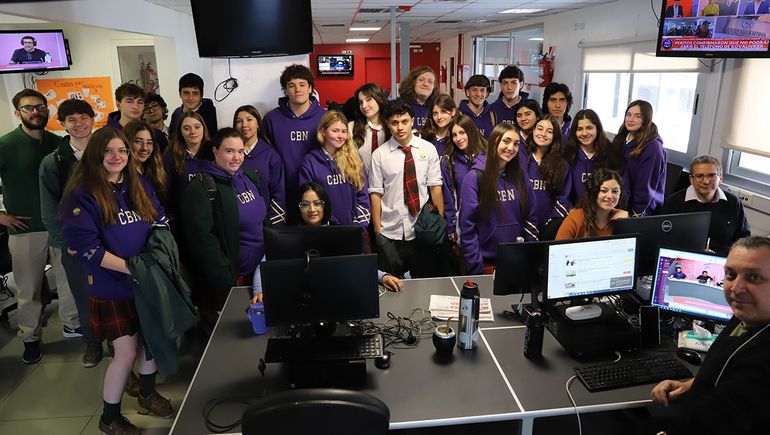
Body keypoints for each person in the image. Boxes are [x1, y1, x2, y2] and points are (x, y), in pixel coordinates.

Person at [61, 127, 172, 435]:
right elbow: (89, 250)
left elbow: (160, 220)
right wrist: (135, 268)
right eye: (108, 151)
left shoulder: (137, 184)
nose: (116, 156)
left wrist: (158, 255)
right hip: (113, 287)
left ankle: (147, 394)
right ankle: (109, 417)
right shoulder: (82, 195)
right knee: (126, 353)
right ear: (96, 155)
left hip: (146, 281)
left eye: (122, 150)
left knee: (151, 344)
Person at [650, 236, 770, 435]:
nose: (736, 288)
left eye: (754, 277)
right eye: (730, 275)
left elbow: (720, 423)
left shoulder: (763, 362)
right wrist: (693, 384)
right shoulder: (748, 315)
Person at [0, 89, 70, 364]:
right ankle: (30, 338)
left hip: (61, 228)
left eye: (40, 106)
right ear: (18, 113)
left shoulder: (58, 143)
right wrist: (2, 217)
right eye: (28, 108)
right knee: (27, 290)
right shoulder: (5, 145)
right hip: (25, 230)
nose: (36, 112)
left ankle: (74, 327)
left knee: (69, 284)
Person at [179, 128, 266, 327]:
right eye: (229, 151)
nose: (236, 157)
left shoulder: (248, 178)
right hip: (230, 282)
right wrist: (225, 275)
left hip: (258, 276)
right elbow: (201, 240)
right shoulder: (201, 187)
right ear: (215, 151)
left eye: (241, 151)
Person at [38, 98, 102, 368]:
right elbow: (50, 209)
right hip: (76, 244)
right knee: (83, 293)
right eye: (71, 120)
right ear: (62, 124)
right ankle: (92, 342)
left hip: (109, 238)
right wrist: (68, 243)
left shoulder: (107, 152)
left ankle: (121, 338)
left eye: (83, 117)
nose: (79, 124)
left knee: (115, 292)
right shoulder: (54, 162)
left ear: (93, 119)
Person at [369, 99, 444, 278]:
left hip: (421, 229)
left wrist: (439, 223)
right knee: (392, 284)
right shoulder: (379, 155)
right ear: (388, 124)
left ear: (412, 121)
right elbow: (375, 193)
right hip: (390, 230)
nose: (400, 127)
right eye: (395, 123)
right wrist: (377, 228)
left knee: (423, 280)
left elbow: (435, 188)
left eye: (404, 121)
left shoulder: (428, 149)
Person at [459, 123, 538, 275]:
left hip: (516, 260)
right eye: (506, 141)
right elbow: (468, 228)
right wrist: (477, 267)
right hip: (485, 263)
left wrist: (529, 253)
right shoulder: (474, 177)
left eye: (516, 144)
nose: (511, 148)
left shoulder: (520, 176)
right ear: (495, 141)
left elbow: (531, 216)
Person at [263, 64, 326, 221]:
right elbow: (266, 156)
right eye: (291, 85)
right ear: (285, 90)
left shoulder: (326, 117)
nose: (297, 89)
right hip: (283, 193)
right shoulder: (271, 119)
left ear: (311, 88)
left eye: (302, 84)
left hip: (318, 192)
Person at [660, 155, 750, 256]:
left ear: (720, 178)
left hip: (723, 261)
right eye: (699, 176)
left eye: (711, 176)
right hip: (685, 258)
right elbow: (664, 240)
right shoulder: (674, 202)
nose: (706, 181)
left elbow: (744, 239)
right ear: (691, 179)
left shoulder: (733, 203)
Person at [299, 111, 370, 231]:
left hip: (354, 231)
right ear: (323, 132)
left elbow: (363, 196)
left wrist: (358, 228)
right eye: (335, 131)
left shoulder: (354, 159)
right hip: (324, 232)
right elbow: (308, 202)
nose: (340, 136)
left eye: (344, 131)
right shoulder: (310, 162)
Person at [233, 105, 286, 226]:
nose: (244, 125)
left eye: (249, 119)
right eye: (239, 121)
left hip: (265, 223)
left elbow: (279, 193)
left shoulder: (271, 155)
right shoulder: (230, 155)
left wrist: (274, 226)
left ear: (258, 124)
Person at [613, 100, 667, 217]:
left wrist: (634, 215)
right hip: (621, 203)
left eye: (637, 116)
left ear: (646, 119)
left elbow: (645, 189)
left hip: (641, 212)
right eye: (628, 115)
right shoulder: (622, 139)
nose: (631, 119)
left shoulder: (653, 148)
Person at [441, 114, 486, 242]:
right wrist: (451, 228)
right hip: (464, 225)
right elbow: (449, 199)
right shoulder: (448, 162)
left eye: (462, 132)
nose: (458, 138)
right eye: (454, 135)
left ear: (471, 132)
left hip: (488, 221)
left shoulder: (487, 155)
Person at [563, 109, 623, 203]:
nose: (584, 133)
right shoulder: (567, 154)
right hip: (574, 212)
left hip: (604, 213)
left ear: (597, 129)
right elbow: (563, 193)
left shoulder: (611, 154)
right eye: (579, 129)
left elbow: (621, 190)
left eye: (589, 128)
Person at [524, 115, 572, 231]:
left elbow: (563, 198)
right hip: (521, 224)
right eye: (540, 129)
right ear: (533, 130)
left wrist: (550, 225)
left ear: (555, 136)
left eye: (549, 131)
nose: (543, 134)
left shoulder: (561, 165)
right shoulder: (521, 159)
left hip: (548, 227)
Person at [556, 168, 629, 240]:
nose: (610, 196)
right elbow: (557, 250)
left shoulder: (622, 218)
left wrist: (628, 223)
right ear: (593, 192)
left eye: (615, 191)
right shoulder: (575, 219)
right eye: (604, 191)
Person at [162, 111, 209, 216]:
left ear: (203, 129)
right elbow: (166, 192)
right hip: (183, 216)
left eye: (197, 127)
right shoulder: (170, 156)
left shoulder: (213, 152)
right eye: (187, 128)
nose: (193, 132)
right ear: (181, 132)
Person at [106, 83, 169, 151]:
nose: (136, 107)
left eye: (140, 102)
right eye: (129, 101)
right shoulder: (105, 134)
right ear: (118, 105)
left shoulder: (156, 135)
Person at [350, 83, 388, 178]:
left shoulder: (392, 127)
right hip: (361, 186)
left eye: (368, 100)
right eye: (360, 102)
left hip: (389, 186)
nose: (364, 106)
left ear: (379, 98)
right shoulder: (351, 128)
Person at [124, 120, 166, 203]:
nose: (144, 148)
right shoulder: (121, 177)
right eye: (138, 142)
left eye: (149, 143)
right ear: (126, 142)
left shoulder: (154, 172)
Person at [397, 65, 439, 130]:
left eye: (430, 82)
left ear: (434, 87)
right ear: (413, 83)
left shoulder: (437, 107)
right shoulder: (401, 106)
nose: (425, 84)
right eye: (421, 80)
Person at [459, 74, 496, 139]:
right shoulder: (458, 114)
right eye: (474, 90)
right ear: (467, 92)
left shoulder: (492, 116)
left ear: (487, 93)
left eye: (482, 90)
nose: (478, 94)